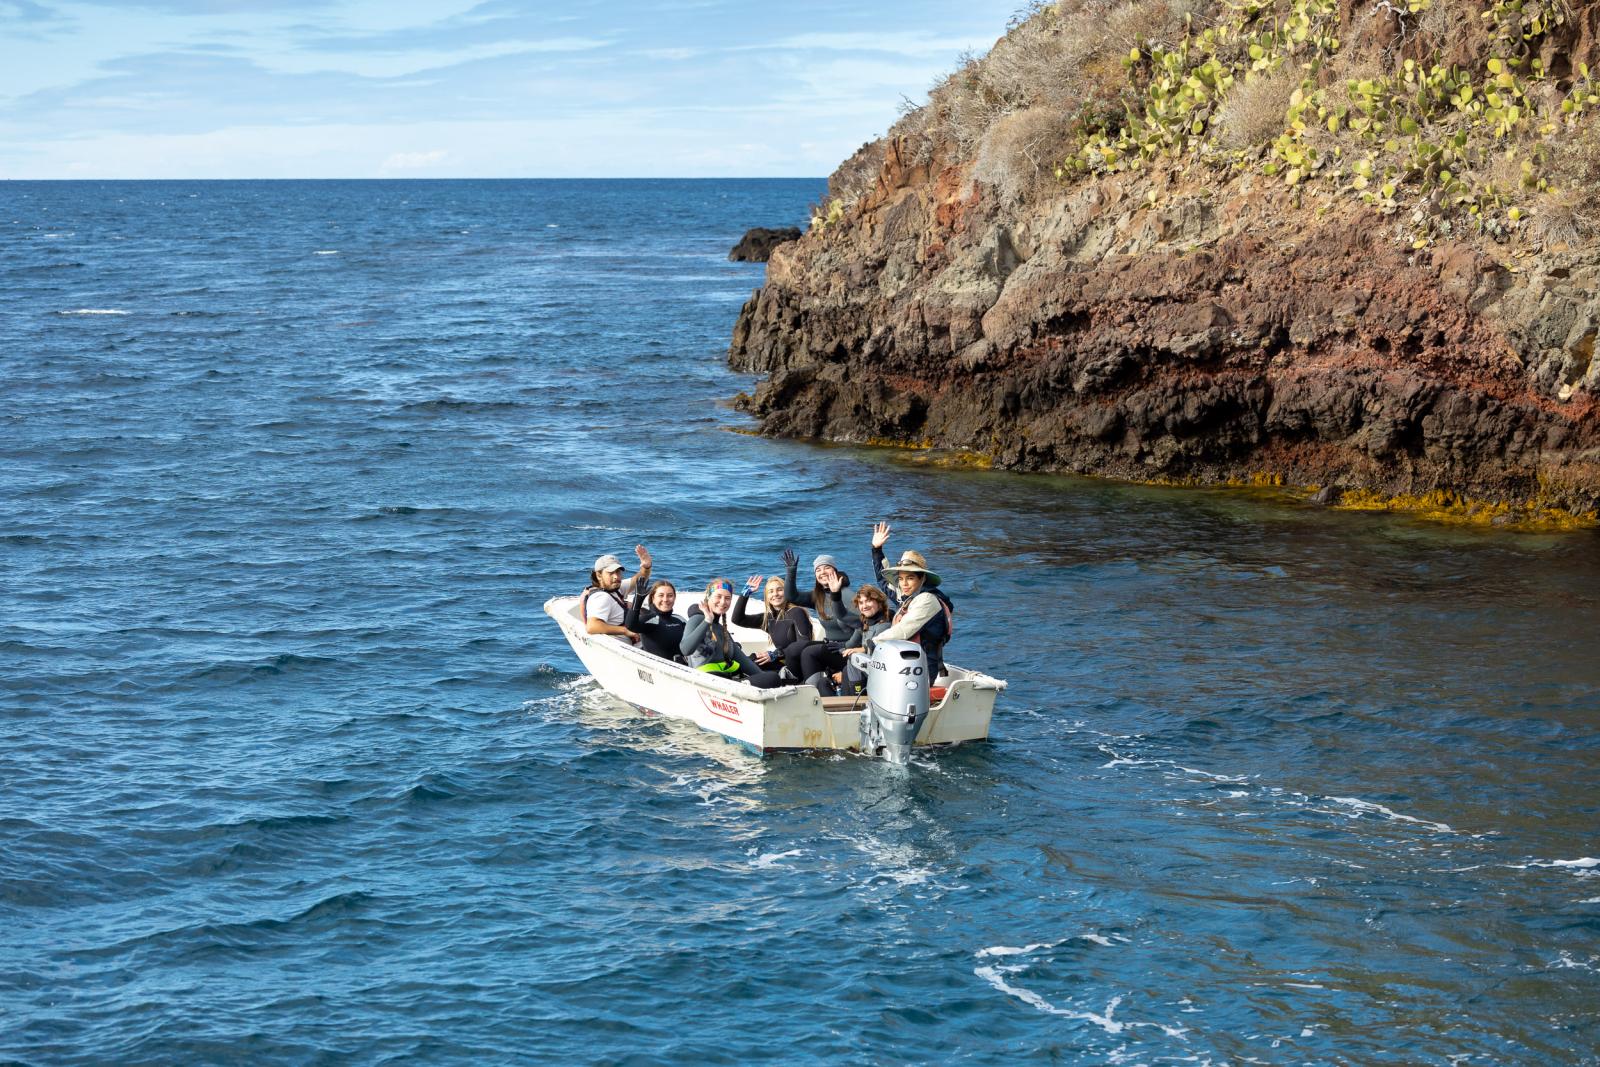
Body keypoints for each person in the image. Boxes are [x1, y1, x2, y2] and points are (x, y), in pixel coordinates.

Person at [871, 522, 956, 682]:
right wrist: (877, 550)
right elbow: (884, 581)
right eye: (901, 578)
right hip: (904, 664)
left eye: (910, 578)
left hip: (920, 669)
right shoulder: (908, 598)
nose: (904, 584)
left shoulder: (927, 600)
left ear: (922, 578)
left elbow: (903, 630)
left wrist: (873, 643)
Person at [681, 577, 785, 688]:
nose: (723, 602)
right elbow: (686, 649)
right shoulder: (697, 619)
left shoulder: (723, 632)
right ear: (708, 597)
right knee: (772, 678)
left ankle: (742, 685)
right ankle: (741, 685)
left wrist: (765, 679)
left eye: (727, 598)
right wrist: (707, 621)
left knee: (772, 677)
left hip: (727, 683)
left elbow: (748, 666)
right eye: (718, 596)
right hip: (705, 683)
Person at [781, 548, 858, 690]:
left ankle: (813, 693)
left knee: (809, 653)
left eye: (827, 567)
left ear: (835, 571)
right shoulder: (819, 596)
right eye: (818, 570)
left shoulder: (847, 595)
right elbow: (792, 597)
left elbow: (863, 626)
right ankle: (795, 685)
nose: (822, 572)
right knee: (793, 649)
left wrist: (847, 645)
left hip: (848, 650)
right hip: (831, 646)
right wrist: (791, 571)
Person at [730, 574, 814, 675]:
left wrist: (775, 654)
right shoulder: (769, 618)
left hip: (796, 669)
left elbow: (803, 644)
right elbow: (738, 619)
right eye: (771, 591)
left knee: (752, 664)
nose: (775, 594)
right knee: (750, 660)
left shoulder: (796, 612)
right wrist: (745, 593)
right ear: (767, 597)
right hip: (781, 664)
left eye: (779, 590)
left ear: (787, 592)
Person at [584, 544, 653, 643]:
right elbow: (592, 626)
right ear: (599, 575)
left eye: (618, 572)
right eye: (610, 573)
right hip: (626, 646)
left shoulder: (615, 588)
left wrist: (646, 567)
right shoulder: (601, 597)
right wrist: (625, 631)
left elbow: (639, 580)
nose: (616, 576)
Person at [838, 584, 893, 694]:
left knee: (852, 659)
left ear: (879, 603)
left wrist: (857, 651)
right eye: (861, 603)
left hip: (878, 675)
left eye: (868, 601)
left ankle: (856, 697)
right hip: (866, 672)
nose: (864, 606)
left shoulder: (884, 625)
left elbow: (875, 653)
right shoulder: (866, 623)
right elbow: (853, 644)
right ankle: (848, 698)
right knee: (843, 671)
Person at [624, 579, 685, 663]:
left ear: (674, 598)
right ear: (653, 598)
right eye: (661, 595)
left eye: (670, 595)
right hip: (658, 670)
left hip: (684, 669)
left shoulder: (680, 619)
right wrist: (637, 600)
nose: (665, 599)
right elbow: (630, 625)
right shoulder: (651, 619)